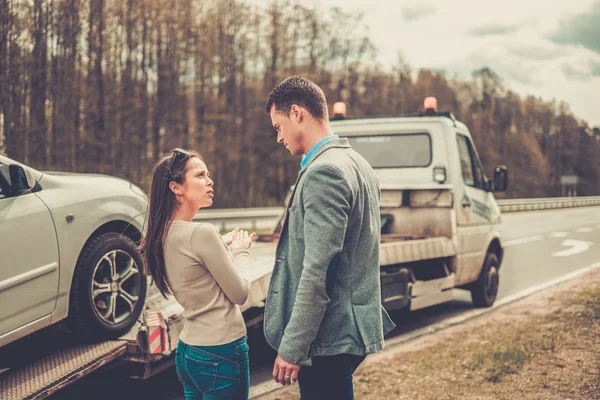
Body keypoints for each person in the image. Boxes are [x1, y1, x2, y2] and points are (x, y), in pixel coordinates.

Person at [263, 76, 396, 399]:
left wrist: (293, 346)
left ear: (297, 113)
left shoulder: (326, 172)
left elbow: (320, 269)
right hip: (346, 326)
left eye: (278, 126)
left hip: (329, 334)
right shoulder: (357, 163)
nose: (278, 137)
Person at [141, 148, 256, 400]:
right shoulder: (202, 234)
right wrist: (241, 251)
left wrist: (221, 245)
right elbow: (240, 293)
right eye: (200, 175)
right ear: (177, 187)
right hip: (221, 351)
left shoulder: (160, 235)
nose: (209, 180)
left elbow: (192, 262)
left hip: (189, 352)